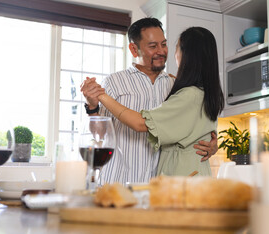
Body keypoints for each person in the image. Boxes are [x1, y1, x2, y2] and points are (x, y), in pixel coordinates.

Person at [81, 18, 218, 183]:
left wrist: (211, 143)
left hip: (157, 185)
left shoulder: (176, 86)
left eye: (164, 44)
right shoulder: (114, 82)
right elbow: (100, 134)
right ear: (134, 49)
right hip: (117, 180)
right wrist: (92, 106)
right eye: (153, 46)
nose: (161, 51)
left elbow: (194, 127)